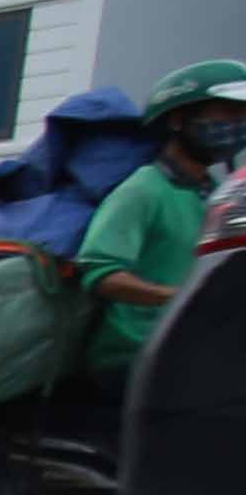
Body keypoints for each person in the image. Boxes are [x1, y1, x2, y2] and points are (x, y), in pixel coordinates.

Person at [83, 58, 246, 387]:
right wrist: (179, 297)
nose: (236, 124)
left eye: (242, 116)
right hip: (136, 362)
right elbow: (100, 274)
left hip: (193, 354)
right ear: (177, 119)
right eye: (225, 112)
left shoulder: (216, 197)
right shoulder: (143, 190)